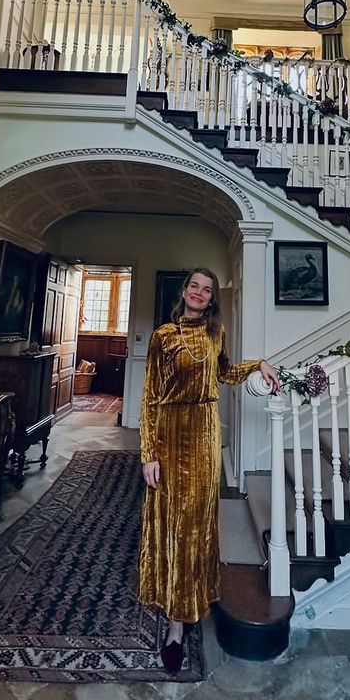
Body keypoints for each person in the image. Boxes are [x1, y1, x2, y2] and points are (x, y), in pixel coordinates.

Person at [137, 267, 280, 674]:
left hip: (203, 437)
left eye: (207, 290)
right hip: (168, 434)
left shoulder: (216, 334)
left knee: (196, 523)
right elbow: (149, 397)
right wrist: (149, 452)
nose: (200, 293)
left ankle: (186, 609)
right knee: (172, 523)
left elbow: (225, 373)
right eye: (194, 286)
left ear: (212, 299)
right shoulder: (163, 336)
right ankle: (175, 617)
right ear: (184, 292)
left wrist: (259, 364)